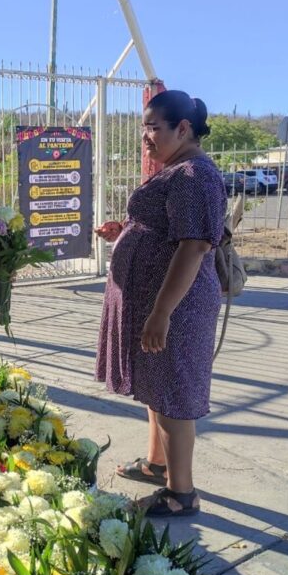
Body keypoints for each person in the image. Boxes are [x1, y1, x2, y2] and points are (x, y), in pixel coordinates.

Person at [95, 90, 226, 516]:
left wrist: (162, 311)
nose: (145, 136)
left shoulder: (194, 175)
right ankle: (157, 465)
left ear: (182, 129)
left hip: (177, 306)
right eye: (144, 127)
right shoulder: (176, 169)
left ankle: (180, 494)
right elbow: (166, 227)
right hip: (156, 303)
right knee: (156, 386)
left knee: (173, 393)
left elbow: (193, 246)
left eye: (153, 127)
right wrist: (129, 231)